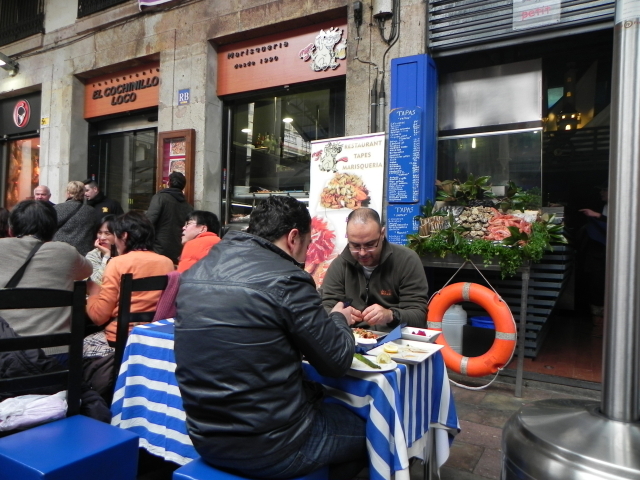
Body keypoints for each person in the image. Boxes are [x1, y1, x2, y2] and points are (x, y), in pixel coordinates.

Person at [175, 196, 367, 480]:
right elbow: (336, 360)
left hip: (205, 439)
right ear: (293, 238)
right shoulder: (288, 278)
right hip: (273, 448)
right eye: (308, 243)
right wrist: (339, 318)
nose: (307, 252)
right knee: (375, 429)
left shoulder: (196, 272)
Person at [0, 200, 92, 355]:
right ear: (52, 230)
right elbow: (87, 271)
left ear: (11, 230)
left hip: (5, 358)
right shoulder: (66, 253)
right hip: (55, 356)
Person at [322, 208, 429, 329]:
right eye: (355, 246)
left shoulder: (406, 260)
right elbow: (323, 309)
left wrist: (390, 316)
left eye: (370, 245)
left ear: (382, 234)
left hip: (397, 341)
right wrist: (337, 316)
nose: (362, 253)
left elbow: (418, 317)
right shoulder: (340, 265)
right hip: (353, 340)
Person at [85, 211, 174, 357]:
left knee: (81, 347)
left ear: (124, 236)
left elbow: (99, 316)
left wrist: (93, 292)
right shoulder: (167, 263)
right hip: (153, 335)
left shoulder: (117, 263)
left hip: (120, 338)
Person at [146, 171, 194, 264]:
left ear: (168, 183)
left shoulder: (160, 198)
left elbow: (149, 221)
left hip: (158, 249)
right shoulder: (188, 207)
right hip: (178, 251)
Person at [579, 185, 608, 336]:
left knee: (601, 285)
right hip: (596, 256)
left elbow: (617, 225)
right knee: (595, 284)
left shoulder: (617, 208)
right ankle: (598, 321)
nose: (601, 192)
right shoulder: (604, 207)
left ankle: (602, 323)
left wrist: (597, 216)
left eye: (605, 189)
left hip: (605, 256)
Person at [53, 180, 98, 256]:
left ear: (68, 193)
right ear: (83, 193)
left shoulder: (57, 208)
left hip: (59, 251)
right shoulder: (91, 211)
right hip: (82, 253)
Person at [85, 214, 117, 285]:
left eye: (107, 233)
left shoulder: (125, 254)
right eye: (99, 233)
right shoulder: (93, 255)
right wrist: (106, 257)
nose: (102, 238)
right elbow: (96, 283)